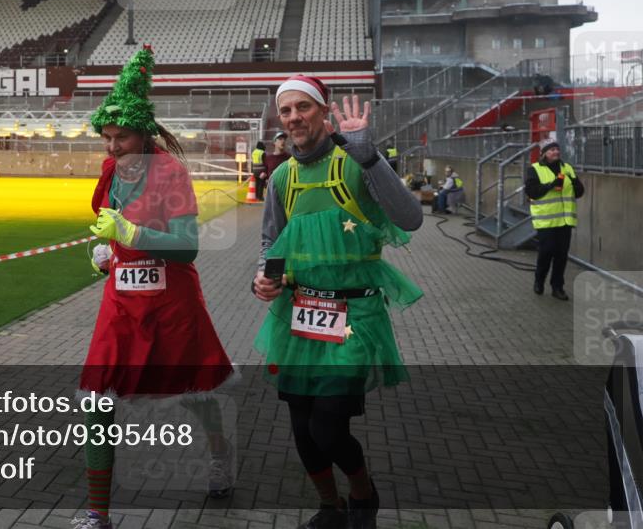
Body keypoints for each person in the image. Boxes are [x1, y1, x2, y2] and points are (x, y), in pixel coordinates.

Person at [252, 75, 423, 529]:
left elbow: (411, 217)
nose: (293, 117)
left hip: (354, 316)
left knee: (327, 426)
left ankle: (363, 494)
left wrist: (369, 156)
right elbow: (272, 242)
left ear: (323, 112)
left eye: (302, 107)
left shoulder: (355, 162)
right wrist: (264, 278)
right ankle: (330, 507)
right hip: (299, 316)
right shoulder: (282, 177)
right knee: (302, 427)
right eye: (285, 110)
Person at [75, 47, 236, 529]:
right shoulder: (109, 172)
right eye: (105, 137)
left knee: (197, 390)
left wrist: (132, 236)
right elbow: (106, 221)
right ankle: (97, 513)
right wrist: (107, 251)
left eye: (120, 136)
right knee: (97, 397)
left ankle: (219, 453)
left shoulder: (171, 173)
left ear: (143, 133)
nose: (111, 147)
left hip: (172, 304)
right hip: (123, 303)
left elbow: (187, 247)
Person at [524, 139, 584, 300]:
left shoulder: (567, 168)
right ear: (544, 154)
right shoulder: (534, 169)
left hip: (565, 220)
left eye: (557, 149)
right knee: (546, 251)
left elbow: (579, 192)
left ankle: (557, 287)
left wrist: (575, 184)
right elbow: (531, 192)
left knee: (561, 255)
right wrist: (551, 184)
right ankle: (539, 280)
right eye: (552, 150)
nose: (556, 152)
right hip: (546, 220)